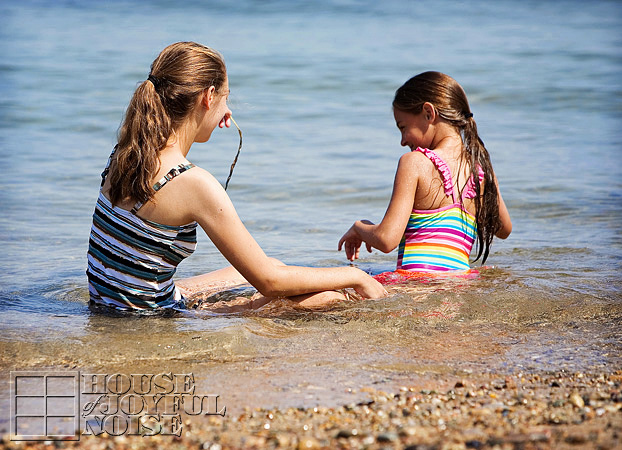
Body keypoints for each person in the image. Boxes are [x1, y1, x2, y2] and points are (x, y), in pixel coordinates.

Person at [86, 41, 386, 312]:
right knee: (328, 297)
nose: (227, 113)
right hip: (150, 319)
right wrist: (354, 275)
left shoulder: (125, 153)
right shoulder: (191, 181)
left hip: (110, 301)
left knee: (273, 264)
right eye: (225, 99)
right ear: (208, 96)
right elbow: (270, 283)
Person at [338, 71, 511, 282]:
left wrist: (359, 227)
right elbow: (503, 229)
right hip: (459, 286)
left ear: (428, 113)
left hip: (416, 285)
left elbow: (386, 239)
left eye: (403, 127)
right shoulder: (481, 168)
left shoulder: (414, 162)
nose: (402, 141)